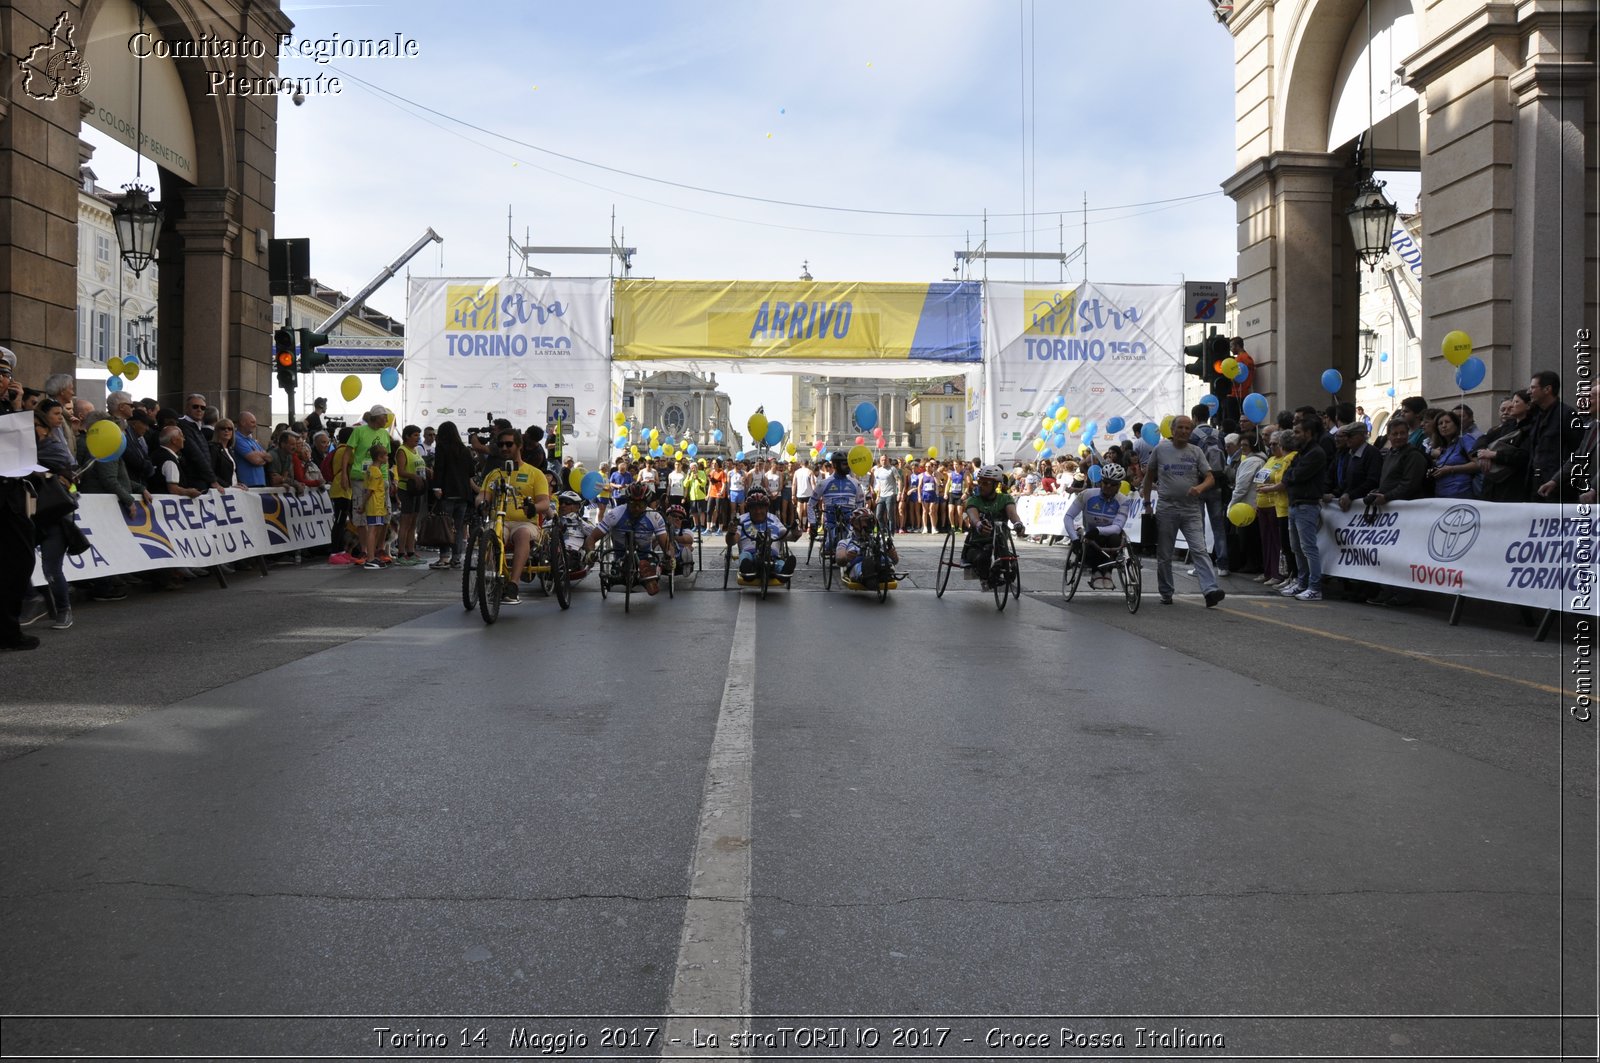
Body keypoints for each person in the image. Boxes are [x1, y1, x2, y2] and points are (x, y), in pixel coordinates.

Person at [1140, 415, 1225, 607]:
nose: (1185, 431)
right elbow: (1149, 477)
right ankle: (1166, 592)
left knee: (1199, 549)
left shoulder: (1196, 451)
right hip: (1167, 507)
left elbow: (1210, 478)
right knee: (1165, 554)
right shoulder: (1161, 449)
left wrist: (1199, 488)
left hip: (1191, 508)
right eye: (1181, 428)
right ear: (1172, 429)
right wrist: (1147, 503)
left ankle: (1210, 590)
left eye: (1188, 428)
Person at [476, 429, 552, 602]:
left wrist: (533, 508)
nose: (504, 448)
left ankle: (514, 585)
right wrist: (481, 504)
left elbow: (544, 502)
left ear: (519, 446)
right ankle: (493, 575)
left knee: (523, 534)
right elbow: (483, 496)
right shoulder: (494, 474)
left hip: (525, 523)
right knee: (493, 534)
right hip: (500, 521)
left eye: (509, 444)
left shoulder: (535, 473)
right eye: (501, 444)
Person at [1274, 419, 1330, 601]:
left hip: (1307, 504)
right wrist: (1291, 476)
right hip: (1295, 504)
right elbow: (1287, 475)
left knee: (1308, 547)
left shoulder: (1316, 453)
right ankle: (1301, 581)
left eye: (1298, 432)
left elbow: (1295, 476)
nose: (1294, 435)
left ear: (1308, 433)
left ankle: (1315, 587)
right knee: (1296, 547)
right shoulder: (1300, 454)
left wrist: (1291, 476)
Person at [586, 481, 671, 595]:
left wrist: (670, 558)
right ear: (627, 502)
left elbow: (666, 545)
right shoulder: (615, 514)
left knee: (651, 575)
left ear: (646, 504)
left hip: (645, 559)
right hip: (620, 560)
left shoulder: (655, 517)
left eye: (640, 505)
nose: (636, 508)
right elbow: (591, 538)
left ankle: (648, 576)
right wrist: (590, 553)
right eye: (632, 504)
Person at [1065, 462, 1134, 589]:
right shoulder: (1087, 494)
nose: (1108, 486)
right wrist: (1074, 539)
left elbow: (1118, 527)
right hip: (1090, 537)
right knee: (1093, 540)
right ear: (1101, 481)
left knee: (1115, 538)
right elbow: (1068, 517)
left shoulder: (1124, 501)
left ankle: (1108, 571)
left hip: (1109, 535)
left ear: (1119, 485)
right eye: (1105, 482)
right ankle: (1096, 571)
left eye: (1112, 484)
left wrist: (1098, 530)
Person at [961, 464, 1026, 590]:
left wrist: (1018, 524)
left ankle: (1000, 572)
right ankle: (986, 579)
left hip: (999, 544)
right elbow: (973, 517)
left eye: (986, 483)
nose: (981, 486)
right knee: (983, 557)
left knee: (1008, 559)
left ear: (996, 485)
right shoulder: (974, 500)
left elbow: (1012, 514)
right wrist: (979, 524)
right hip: (977, 545)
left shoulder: (1005, 498)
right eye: (980, 482)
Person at [1529, 371, 1588, 502]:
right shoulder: (1537, 416)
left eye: (1533, 387)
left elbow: (1577, 453)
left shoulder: (1567, 415)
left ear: (1547, 389)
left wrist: (1559, 480)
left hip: (1559, 489)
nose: (1529, 392)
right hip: (1536, 485)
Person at [427, 421, 476, 569]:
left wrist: (436, 487)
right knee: (458, 527)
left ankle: (444, 558)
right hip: (463, 494)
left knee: (445, 526)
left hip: (447, 492)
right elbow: (471, 472)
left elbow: (439, 469)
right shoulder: (465, 450)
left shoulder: (442, 448)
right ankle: (456, 558)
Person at [726, 488, 798, 583]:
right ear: (749, 508)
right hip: (749, 553)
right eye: (754, 508)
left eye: (761, 507)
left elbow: (784, 534)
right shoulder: (742, 519)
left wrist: (795, 533)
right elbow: (732, 541)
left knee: (778, 563)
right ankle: (747, 569)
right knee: (745, 556)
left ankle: (783, 572)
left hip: (771, 554)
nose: (758, 511)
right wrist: (731, 533)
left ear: (766, 508)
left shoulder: (774, 518)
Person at [809, 451, 868, 554]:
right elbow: (810, 504)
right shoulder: (823, 483)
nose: (848, 467)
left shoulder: (855, 483)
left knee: (856, 544)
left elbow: (860, 505)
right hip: (831, 520)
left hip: (849, 520)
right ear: (835, 465)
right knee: (829, 544)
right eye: (844, 464)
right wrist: (813, 522)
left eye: (848, 464)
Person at [836, 508, 898, 588]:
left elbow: (895, 560)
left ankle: (884, 572)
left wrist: (892, 554)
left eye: (869, 521)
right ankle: (868, 575)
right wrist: (846, 557)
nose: (867, 524)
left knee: (884, 560)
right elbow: (839, 559)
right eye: (864, 521)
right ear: (855, 524)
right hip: (858, 565)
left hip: (879, 561)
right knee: (860, 565)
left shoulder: (879, 541)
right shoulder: (845, 542)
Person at [359, 440, 396, 572]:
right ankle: (370, 558)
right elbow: (370, 490)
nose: (387, 458)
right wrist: (363, 504)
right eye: (386, 455)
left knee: (375, 530)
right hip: (375, 504)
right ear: (380, 457)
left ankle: (372, 556)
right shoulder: (376, 472)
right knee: (373, 531)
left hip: (377, 505)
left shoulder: (372, 470)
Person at [1426, 410, 1477, 499]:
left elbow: (1477, 464)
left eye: (1447, 422)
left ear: (1456, 425)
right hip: (1440, 495)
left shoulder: (1465, 440)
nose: (1444, 426)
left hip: (1461, 495)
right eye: (1440, 423)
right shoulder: (1441, 448)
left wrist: (1451, 469)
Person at [664, 502, 696, 575]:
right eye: (674, 516)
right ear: (668, 517)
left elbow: (687, 539)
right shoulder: (660, 528)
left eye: (680, 517)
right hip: (665, 552)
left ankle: (686, 564)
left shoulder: (686, 530)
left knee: (685, 549)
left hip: (679, 553)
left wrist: (670, 536)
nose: (678, 518)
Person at [871, 454, 900, 533]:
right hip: (882, 495)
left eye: (885, 460)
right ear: (880, 461)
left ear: (888, 460)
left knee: (890, 514)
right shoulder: (878, 471)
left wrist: (899, 492)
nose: (884, 461)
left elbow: (898, 480)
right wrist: (878, 496)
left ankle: (891, 531)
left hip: (890, 494)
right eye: (882, 460)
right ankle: (883, 530)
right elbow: (880, 484)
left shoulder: (892, 469)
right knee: (878, 515)